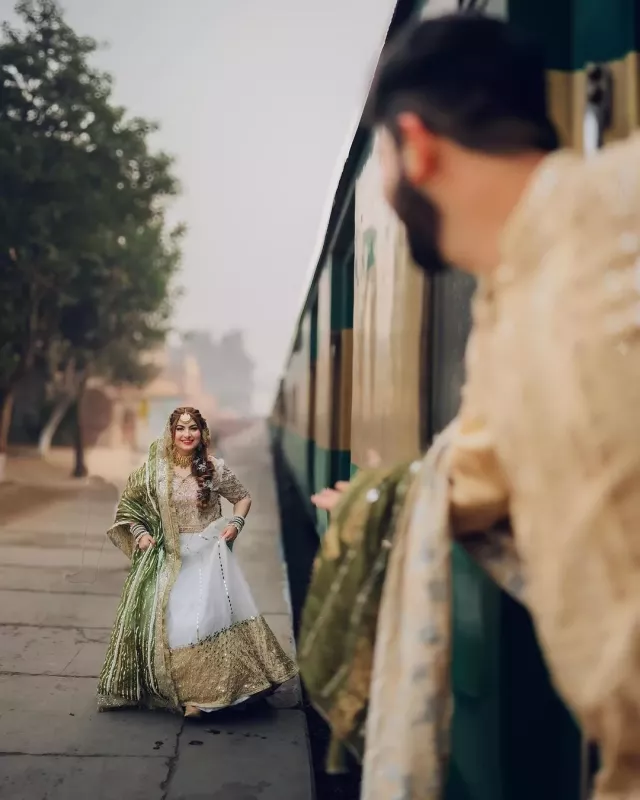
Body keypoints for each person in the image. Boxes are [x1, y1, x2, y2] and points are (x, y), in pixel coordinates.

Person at [310, 12, 640, 799]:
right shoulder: (506, 305)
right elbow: (475, 465)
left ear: (415, 145)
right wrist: (372, 500)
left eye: (383, 156)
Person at [98, 406, 297, 717]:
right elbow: (129, 508)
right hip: (169, 559)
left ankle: (205, 698)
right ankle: (182, 692)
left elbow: (242, 497)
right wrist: (140, 534)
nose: (186, 434)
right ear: (171, 433)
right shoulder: (154, 472)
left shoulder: (213, 469)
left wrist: (236, 524)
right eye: (180, 428)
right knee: (174, 626)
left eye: (193, 428)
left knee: (206, 621)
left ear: (202, 433)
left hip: (207, 555)